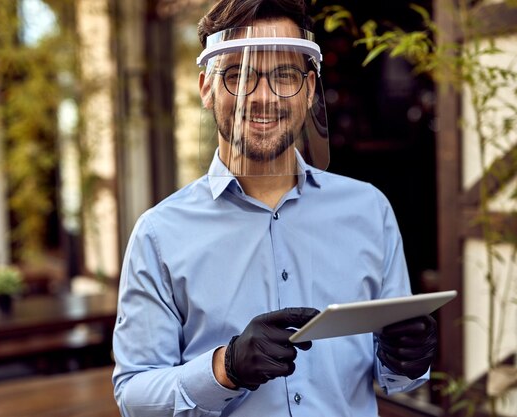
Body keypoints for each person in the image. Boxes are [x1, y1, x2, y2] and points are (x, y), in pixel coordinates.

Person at [112, 0, 438, 416]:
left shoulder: (369, 211)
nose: (262, 97)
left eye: (285, 75)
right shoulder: (158, 235)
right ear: (206, 89)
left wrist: (404, 358)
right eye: (238, 76)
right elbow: (134, 398)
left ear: (310, 88)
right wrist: (224, 368)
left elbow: (395, 376)